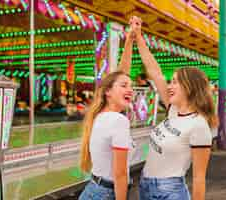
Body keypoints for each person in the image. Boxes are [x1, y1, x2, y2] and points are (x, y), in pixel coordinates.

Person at [130, 16, 218, 200]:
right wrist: (138, 36)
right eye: (171, 82)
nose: (169, 86)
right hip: (145, 185)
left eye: (175, 82)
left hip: (169, 192)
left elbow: (199, 178)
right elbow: (154, 71)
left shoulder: (199, 125)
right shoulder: (173, 110)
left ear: (190, 87)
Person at [79, 21, 136, 200]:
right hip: (107, 193)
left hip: (93, 190)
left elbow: (120, 74)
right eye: (124, 86)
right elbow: (119, 174)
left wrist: (129, 40)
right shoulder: (118, 121)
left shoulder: (99, 114)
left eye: (131, 86)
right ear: (108, 92)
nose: (130, 90)